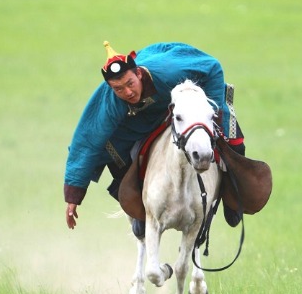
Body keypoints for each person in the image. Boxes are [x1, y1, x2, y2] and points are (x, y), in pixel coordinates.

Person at [64, 41, 245, 237]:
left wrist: (212, 111)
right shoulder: (111, 99)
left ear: (139, 74)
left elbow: (213, 66)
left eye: (130, 83)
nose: (127, 92)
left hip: (181, 90)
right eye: (119, 89)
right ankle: (140, 208)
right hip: (145, 114)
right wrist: (74, 195)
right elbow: (87, 139)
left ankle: (233, 195)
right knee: (110, 146)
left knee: (229, 134)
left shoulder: (170, 72)